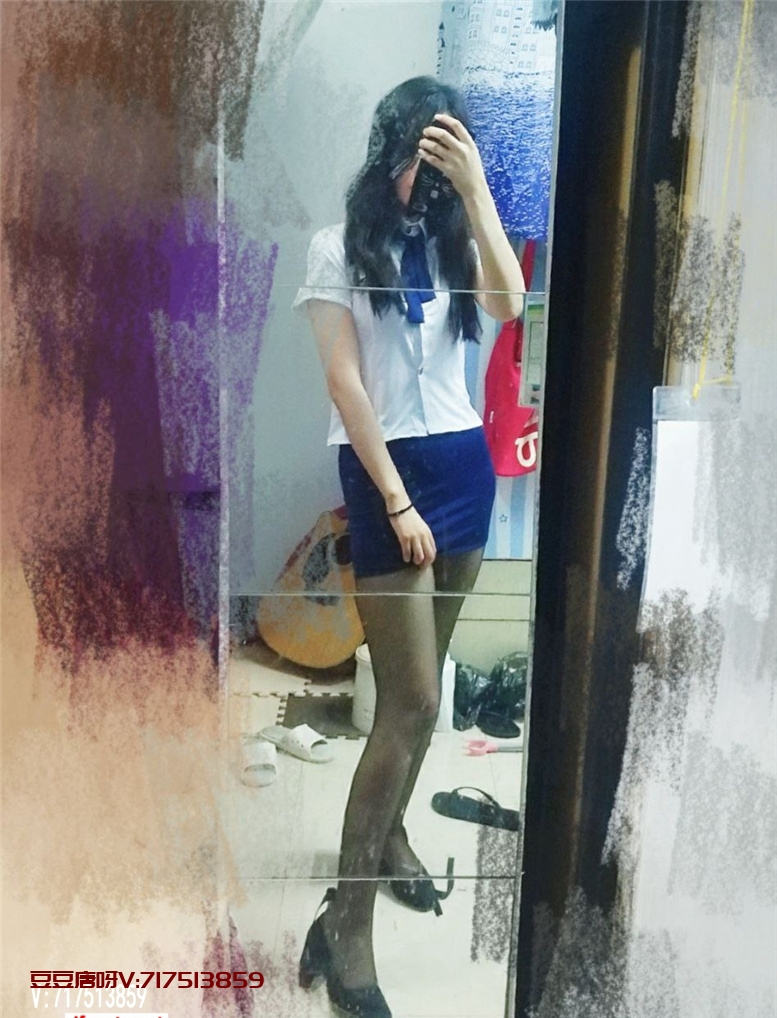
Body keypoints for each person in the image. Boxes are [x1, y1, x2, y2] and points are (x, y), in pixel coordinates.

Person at [293, 76, 525, 1018]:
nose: (421, 179)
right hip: (385, 472)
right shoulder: (333, 246)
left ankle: (388, 841)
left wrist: (476, 191)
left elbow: (510, 304)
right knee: (413, 698)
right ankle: (343, 926)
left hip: (463, 468)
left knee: (424, 702)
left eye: (441, 160)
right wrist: (395, 503)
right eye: (418, 157)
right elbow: (345, 385)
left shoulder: (456, 236)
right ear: (388, 148)